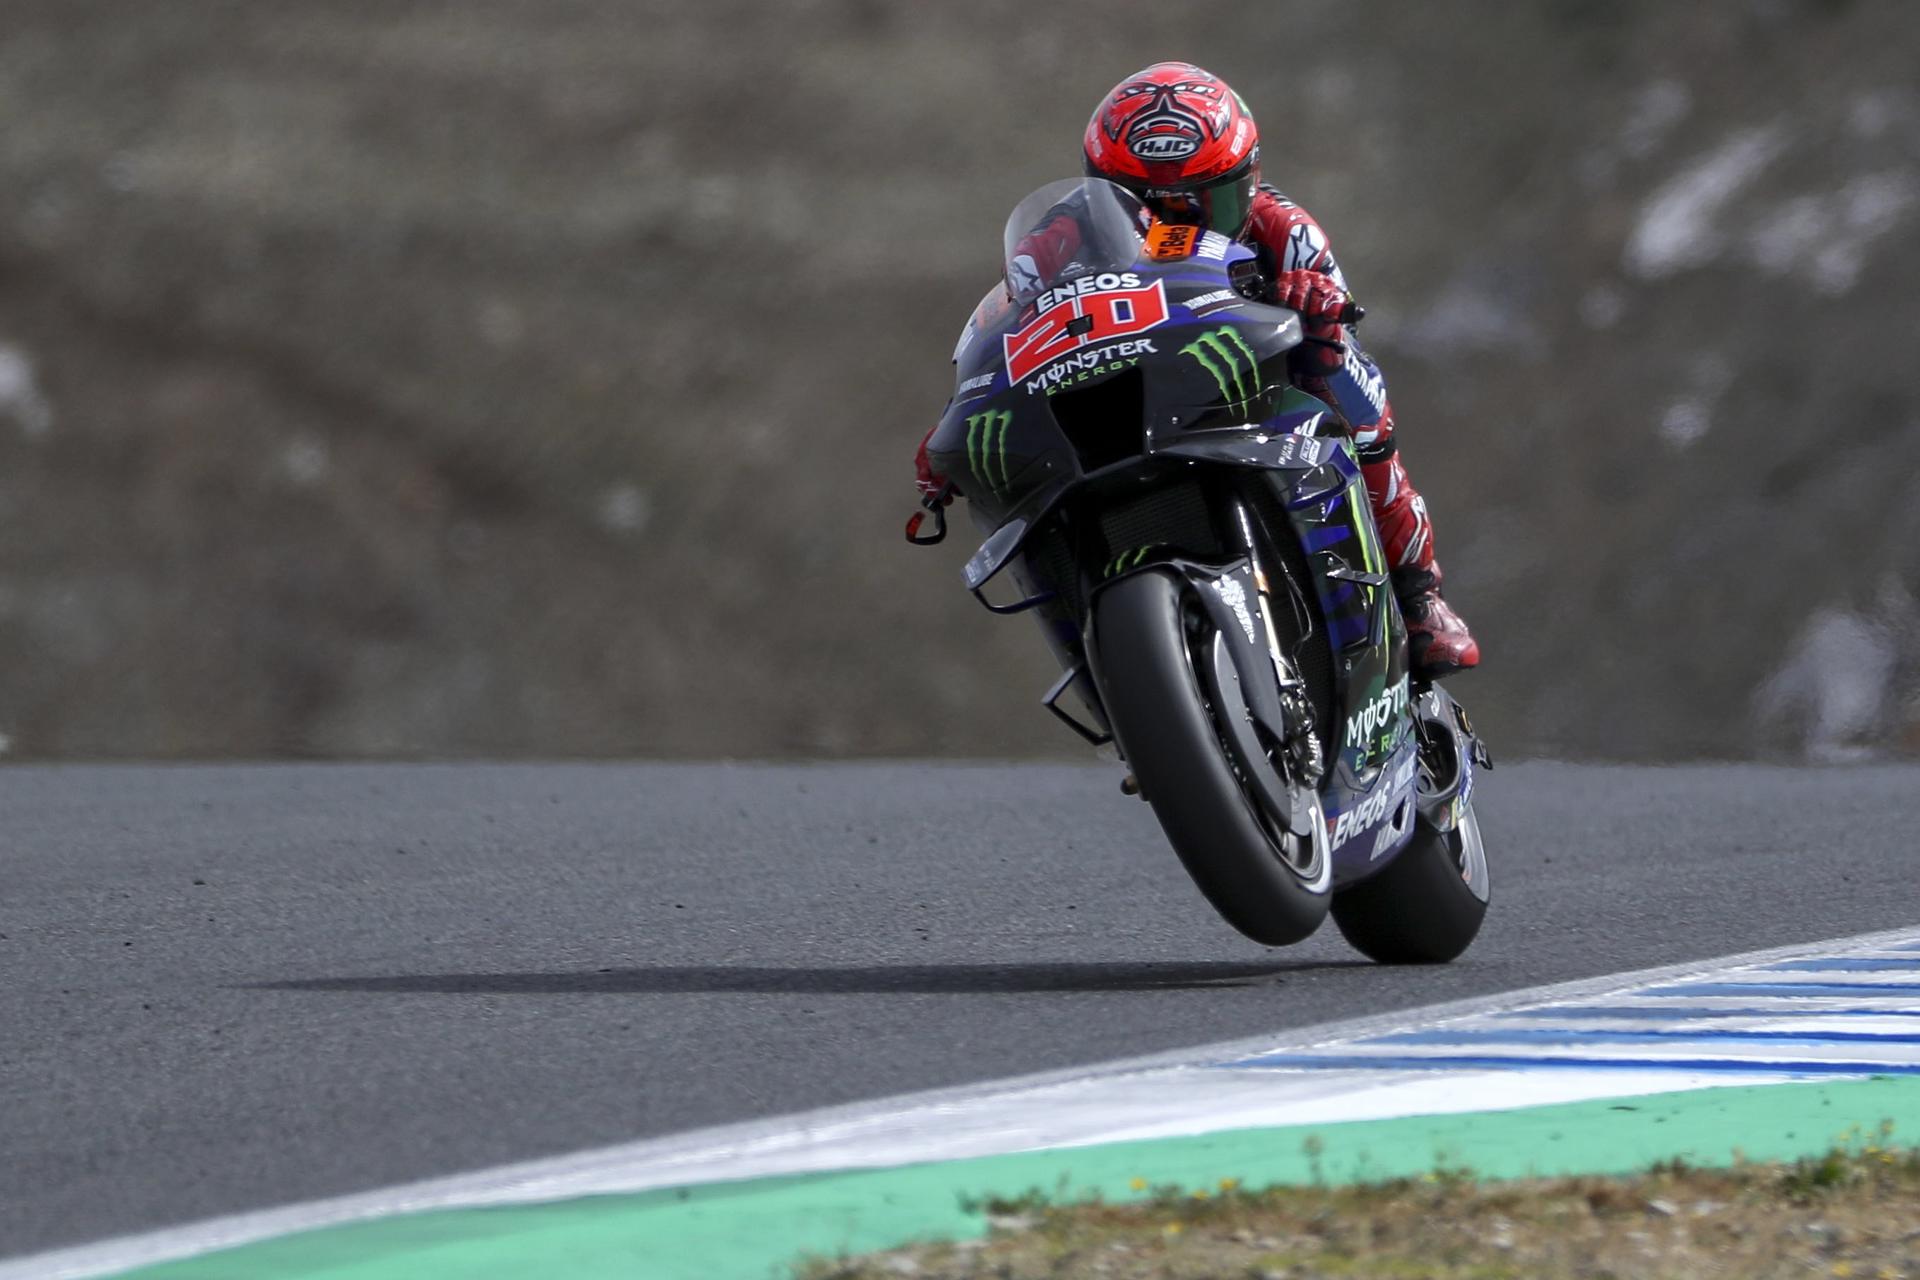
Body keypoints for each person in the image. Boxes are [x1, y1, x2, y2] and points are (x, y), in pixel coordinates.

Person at [916, 62, 1479, 678]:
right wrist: (966, 413)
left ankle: (1420, 594)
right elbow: (1012, 314)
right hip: (1129, 381)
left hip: (1251, 373)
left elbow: (1338, 321)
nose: (1177, 220)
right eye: (1150, 206)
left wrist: (1312, 314)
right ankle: (1102, 658)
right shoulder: (1058, 234)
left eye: (1202, 201)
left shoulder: (1287, 230)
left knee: (1360, 406)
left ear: (1249, 178)